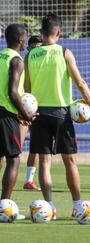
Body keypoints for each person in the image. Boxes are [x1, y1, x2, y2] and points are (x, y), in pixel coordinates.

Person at [25, 13, 90, 220]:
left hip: (39, 114)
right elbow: (81, 83)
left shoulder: (30, 55)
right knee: (70, 162)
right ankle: (77, 205)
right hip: (61, 114)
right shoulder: (65, 52)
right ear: (58, 32)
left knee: (44, 162)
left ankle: (49, 207)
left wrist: (27, 115)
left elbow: (27, 91)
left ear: (41, 33)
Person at [0, 23, 34, 200]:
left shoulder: (0, 56)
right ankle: (4, 205)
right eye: (26, 37)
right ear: (21, 39)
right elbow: (13, 92)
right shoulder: (16, 60)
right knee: (13, 159)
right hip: (6, 115)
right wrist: (25, 114)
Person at [22, 35, 42, 191]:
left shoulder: (44, 67)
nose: (36, 51)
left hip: (38, 109)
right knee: (14, 148)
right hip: (20, 108)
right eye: (33, 48)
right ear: (28, 49)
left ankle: (29, 180)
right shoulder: (21, 64)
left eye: (39, 49)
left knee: (38, 145)